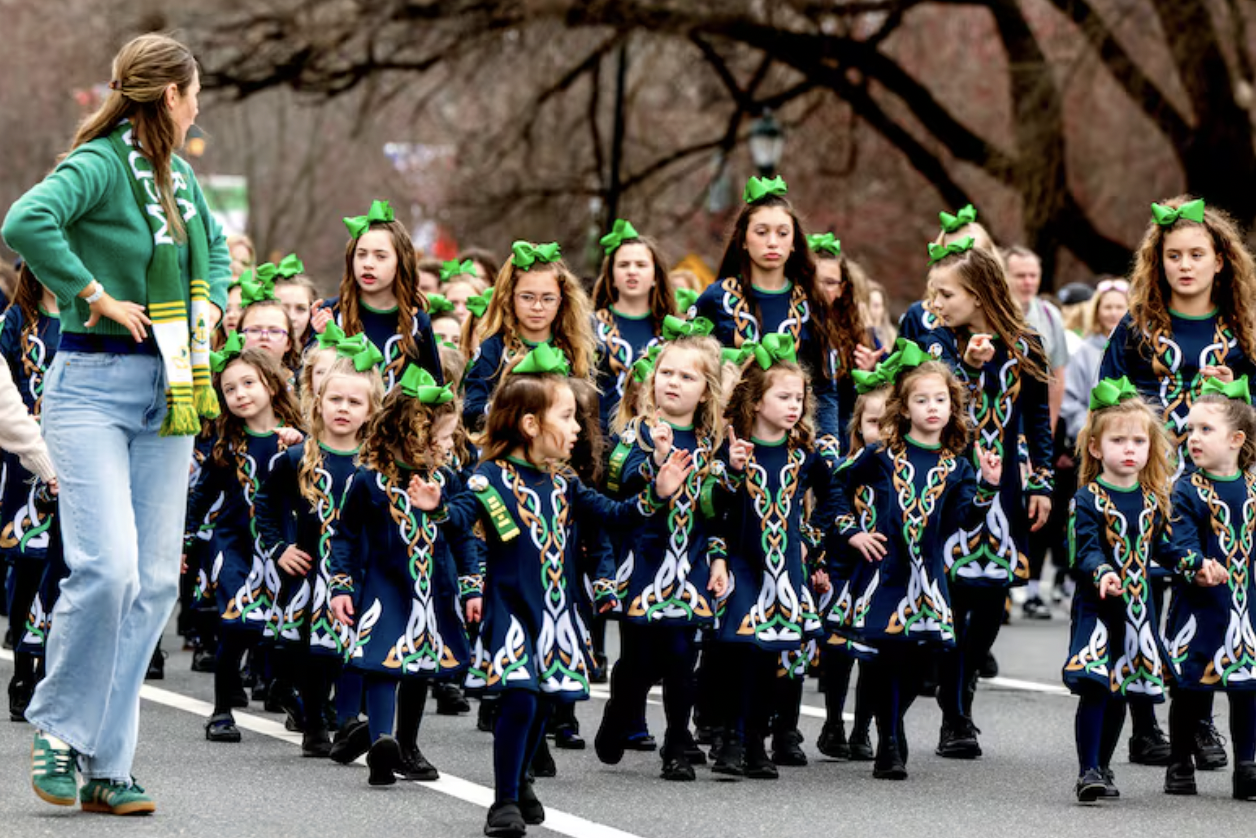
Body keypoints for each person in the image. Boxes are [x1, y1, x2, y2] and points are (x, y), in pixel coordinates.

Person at [2, 33, 230, 815]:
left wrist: (210, 302)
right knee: (107, 571)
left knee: (154, 582)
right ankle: (59, 732)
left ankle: (109, 766)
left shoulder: (182, 179)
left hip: (170, 391)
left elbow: (221, 254)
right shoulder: (100, 165)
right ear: (171, 96)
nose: (199, 106)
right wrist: (92, 294)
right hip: (91, 387)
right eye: (194, 93)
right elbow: (26, 222)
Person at [409, 347, 692, 838]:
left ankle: (520, 778)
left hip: (558, 614)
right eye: (568, 417)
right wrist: (434, 508)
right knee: (519, 696)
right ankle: (504, 802)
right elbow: (458, 520)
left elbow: (616, 515)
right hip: (510, 610)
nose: (580, 428)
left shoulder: (566, 486)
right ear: (530, 425)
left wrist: (657, 493)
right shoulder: (487, 477)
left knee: (543, 700)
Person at [1099, 196, 1256, 768]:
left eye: (1197, 254)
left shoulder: (1244, 327)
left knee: (1210, 597)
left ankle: (1200, 722)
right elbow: (1107, 402)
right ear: (1157, 261)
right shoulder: (1137, 326)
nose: (1184, 265)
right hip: (1148, 482)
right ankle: (1145, 724)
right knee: (1141, 594)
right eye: (1173, 255)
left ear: (1220, 260)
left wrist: (1236, 395)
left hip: (1218, 488)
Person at [832, 346, 1002, 780]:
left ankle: (894, 721)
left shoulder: (957, 465)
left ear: (952, 407)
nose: (932, 407)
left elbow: (965, 519)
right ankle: (889, 740)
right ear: (904, 409)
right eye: (921, 400)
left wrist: (988, 485)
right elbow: (835, 485)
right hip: (884, 575)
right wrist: (853, 531)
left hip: (927, 581)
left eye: (940, 400)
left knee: (917, 666)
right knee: (886, 658)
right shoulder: (881, 455)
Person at [922, 239, 1054, 759]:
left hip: (1008, 487)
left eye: (946, 294)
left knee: (994, 596)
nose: (935, 303)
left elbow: (1039, 417)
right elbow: (924, 407)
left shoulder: (1026, 343)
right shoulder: (933, 343)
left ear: (976, 295)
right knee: (955, 596)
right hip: (951, 482)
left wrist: (1042, 480)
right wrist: (967, 371)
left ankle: (967, 677)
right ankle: (956, 716)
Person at [1063, 377, 1222, 801]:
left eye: (1138, 441)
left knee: (1123, 688)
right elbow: (1083, 550)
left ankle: (1104, 766)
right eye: (1119, 440)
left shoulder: (1154, 499)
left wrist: (1195, 564)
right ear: (1097, 448)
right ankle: (1088, 769)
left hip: (1139, 610)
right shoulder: (1086, 498)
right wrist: (1101, 573)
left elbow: (1167, 548)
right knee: (1098, 685)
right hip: (1099, 607)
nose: (1130, 449)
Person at [705, 337, 837, 780]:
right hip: (745, 566)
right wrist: (734, 471)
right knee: (740, 654)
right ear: (757, 401)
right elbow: (713, 510)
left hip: (786, 573)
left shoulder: (804, 456)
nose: (794, 405)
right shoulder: (733, 451)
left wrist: (811, 540)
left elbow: (834, 497)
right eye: (783, 396)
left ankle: (758, 744)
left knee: (771, 661)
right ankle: (731, 739)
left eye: (799, 398)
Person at [595, 335, 724, 781]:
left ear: (705, 389)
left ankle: (675, 743)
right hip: (643, 562)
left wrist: (719, 558)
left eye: (687, 376)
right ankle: (620, 710)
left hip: (688, 562)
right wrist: (657, 459)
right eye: (666, 373)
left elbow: (716, 511)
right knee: (640, 661)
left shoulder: (713, 442)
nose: (674, 382)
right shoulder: (638, 432)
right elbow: (619, 482)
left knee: (680, 656)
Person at [191, 343, 303, 744]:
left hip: (285, 548)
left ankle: (286, 692)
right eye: (229, 389)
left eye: (248, 383)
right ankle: (221, 710)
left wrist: (303, 446)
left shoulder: (299, 440)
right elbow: (201, 498)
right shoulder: (226, 446)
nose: (240, 394)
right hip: (235, 544)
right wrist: (185, 544)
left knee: (284, 630)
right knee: (238, 624)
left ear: (271, 385)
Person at [1161, 380, 1256, 799]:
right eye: (1191, 429)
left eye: (1205, 430)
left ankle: (1248, 765)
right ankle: (1180, 760)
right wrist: (1194, 565)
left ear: (1237, 440)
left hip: (1245, 606)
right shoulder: (1186, 489)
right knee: (1190, 686)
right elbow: (1176, 541)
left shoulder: (1253, 489)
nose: (1193, 438)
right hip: (1199, 606)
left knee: (1247, 686)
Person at [0, 264, 61, 721]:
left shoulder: (93, 318)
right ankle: (23, 670)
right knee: (28, 561)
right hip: (24, 463)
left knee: (66, 567)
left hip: (81, 456)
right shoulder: (14, 322)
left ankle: (52, 672)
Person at [309, 199, 444, 393]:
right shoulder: (331, 314)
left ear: (400, 262)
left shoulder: (417, 322)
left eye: (380, 256)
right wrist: (320, 340)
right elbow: (304, 384)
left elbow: (434, 389)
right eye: (361, 254)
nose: (368, 264)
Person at [462, 241, 595, 431]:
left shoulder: (574, 351)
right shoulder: (494, 349)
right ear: (509, 297)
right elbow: (471, 411)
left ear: (562, 301)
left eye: (548, 298)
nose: (537, 307)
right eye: (527, 297)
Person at [590, 219, 674, 434]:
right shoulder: (589, 326)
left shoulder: (674, 331)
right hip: (602, 441)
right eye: (623, 265)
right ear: (611, 276)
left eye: (641, 265)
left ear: (656, 276)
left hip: (659, 442)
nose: (632, 271)